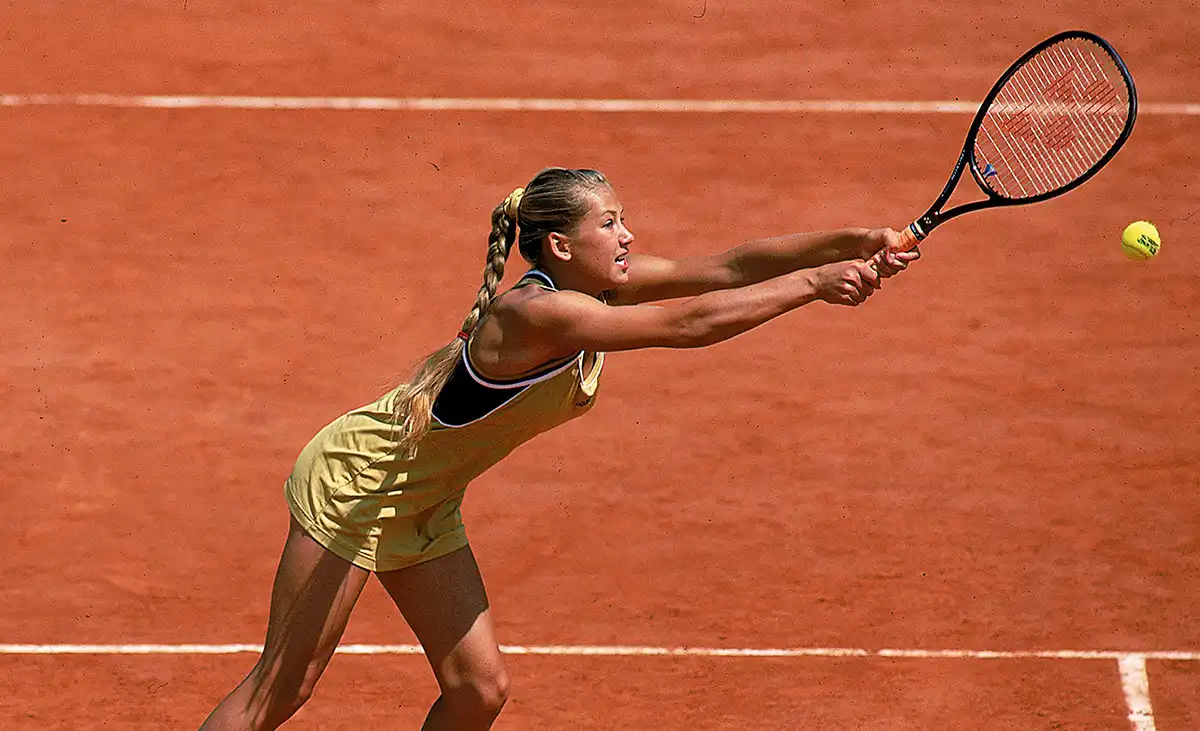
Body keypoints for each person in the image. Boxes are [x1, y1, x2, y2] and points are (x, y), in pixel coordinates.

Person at [198, 167, 919, 731]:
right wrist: (813, 284)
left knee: (478, 691)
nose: (628, 235)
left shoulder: (594, 290)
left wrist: (851, 241)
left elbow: (727, 268)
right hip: (357, 485)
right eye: (610, 223)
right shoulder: (536, 313)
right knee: (282, 689)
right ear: (561, 247)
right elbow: (689, 325)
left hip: (423, 500)